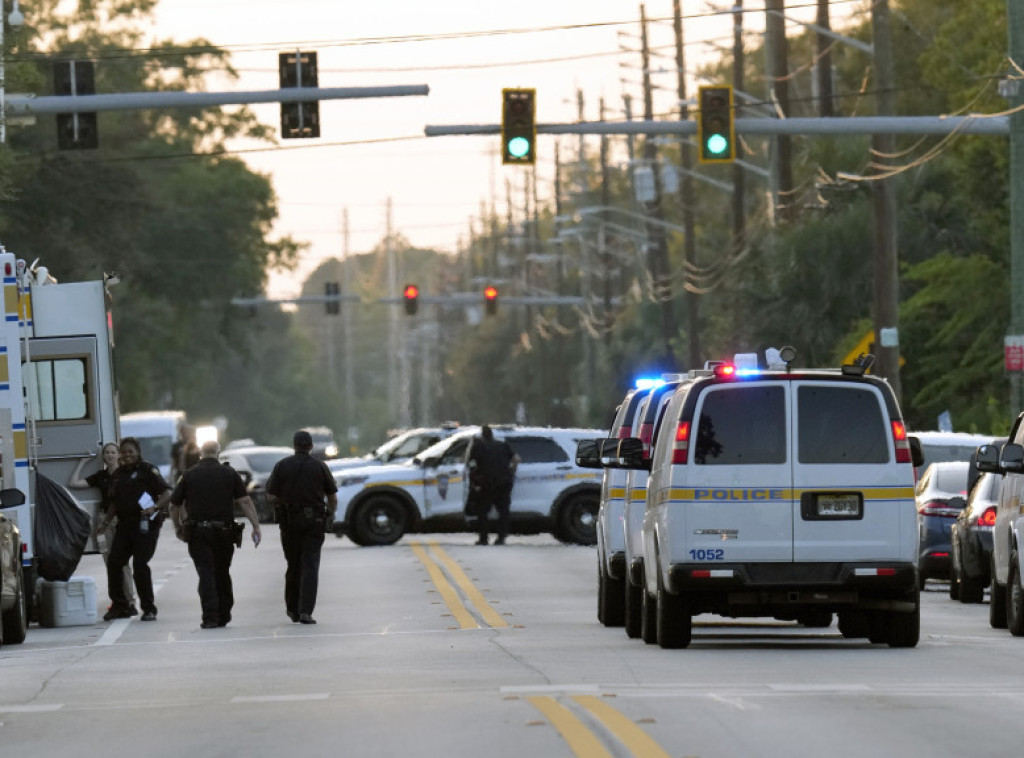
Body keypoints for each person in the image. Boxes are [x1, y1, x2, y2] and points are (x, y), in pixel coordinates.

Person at [169, 440, 262, 629]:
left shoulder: (188, 475)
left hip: (198, 533)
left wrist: (178, 527)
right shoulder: (230, 473)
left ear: (201, 453)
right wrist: (255, 525)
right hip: (224, 532)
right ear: (218, 453)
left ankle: (210, 616)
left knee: (206, 572)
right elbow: (244, 501)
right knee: (222, 571)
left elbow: (174, 505)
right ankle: (224, 613)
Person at [266, 430, 338, 625]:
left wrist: (285, 499)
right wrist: (330, 515)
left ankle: (292, 609)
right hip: (314, 522)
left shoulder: (282, 466)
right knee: (310, 565)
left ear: (294, 445)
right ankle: (306, 611)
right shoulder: (320, 466)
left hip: (289, 523)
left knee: (293, 565)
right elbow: (332, 497)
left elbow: (270, 496)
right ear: (311, 446)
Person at [100, 437, 172, 621]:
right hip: (124, 525)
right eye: (124, 452)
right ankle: (120, 605)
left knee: (140, 565)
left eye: (130, 451)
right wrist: (106, 522)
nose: (127, 455)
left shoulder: (148, 470)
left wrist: (155, 507)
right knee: (115, 562)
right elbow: (114, 503)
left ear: (138, 452)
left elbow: (167, 492)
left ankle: (148, 608)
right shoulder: (117, 475)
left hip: (145, 525)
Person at [69, 442, 137, 616]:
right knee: (109, 561)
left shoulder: (126, 474)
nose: (109, 455)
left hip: (122, 520)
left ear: (119, 455)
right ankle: (117, 600)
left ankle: (130, 600)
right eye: (106, 453)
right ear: (103, 457)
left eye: (113, 452)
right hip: (103, 521)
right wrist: (82, 462)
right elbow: (74, 483)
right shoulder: (101, 476)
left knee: (123, 563)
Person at [464, 425, 520, 545]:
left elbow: (471, 463)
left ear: (482, 435)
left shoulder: (478, 446)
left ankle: (484, 538)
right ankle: (501, 538)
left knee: (483, 511)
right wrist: (511, 471)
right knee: (503, 511)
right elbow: (516, 458)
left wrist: (475, 480)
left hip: (486, 483)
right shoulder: (502, 445)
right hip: (504, 482)